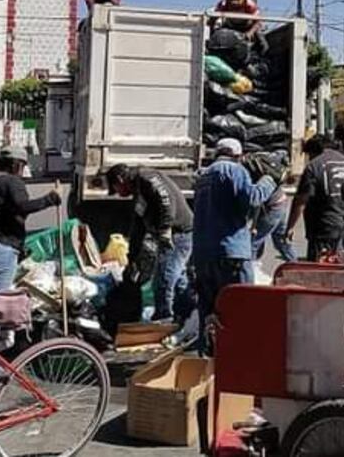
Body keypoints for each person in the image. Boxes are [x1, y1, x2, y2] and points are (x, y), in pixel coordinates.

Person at [0, 146, 60, 375]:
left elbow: (7, 213)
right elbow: (22, 207)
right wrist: (51, 199)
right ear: (17, 164)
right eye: (23, 166)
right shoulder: (11, 181)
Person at [192, 138, 276, 354]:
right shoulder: (233, 171)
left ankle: (208, 359)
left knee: (208, 310)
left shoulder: (203, 175)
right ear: (237, 156)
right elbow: (252, 199)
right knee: (241, 305)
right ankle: (241, 356)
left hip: (203, 254)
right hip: (231, 253)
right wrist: (269, 180)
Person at [105, 163, 195, 328]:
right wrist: (132, 258)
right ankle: (186, 316)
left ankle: (163, 320)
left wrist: (166, 227)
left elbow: (166, 199)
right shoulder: (138, 193)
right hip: (170, 235)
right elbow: (138, 228)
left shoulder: (146, 177)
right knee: (178, 279)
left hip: (178, 234)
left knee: (164, 279)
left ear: (120, 179)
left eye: (116, 188)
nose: (118, 194)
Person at [286, 135, 344, 262]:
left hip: (323, 231)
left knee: (320, 272)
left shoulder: (314, 166)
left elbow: (301, 201)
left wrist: (290, 227)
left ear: (313, 152)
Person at [243, 154, 297, 263]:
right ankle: (296, 267)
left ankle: (249, 274)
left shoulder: (250, 175)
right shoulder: (263, 172)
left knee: (252, 244)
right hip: (280, 203)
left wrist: (253, 226)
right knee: (281, 241)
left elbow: (257, 203)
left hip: (272, 208)